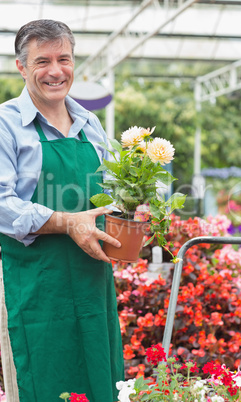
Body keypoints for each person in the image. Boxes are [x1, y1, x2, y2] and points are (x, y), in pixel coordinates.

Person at [0, 19, 124, 402]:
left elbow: (109, 191)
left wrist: (133, 212)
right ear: (22, 66)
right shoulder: (6, 124)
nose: (56, 71)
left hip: (91, 280)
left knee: (98, 377)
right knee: (42, 379)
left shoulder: (91, 124)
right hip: (33, 283)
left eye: (64, 59)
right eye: (42, 61)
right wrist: (67, 222)